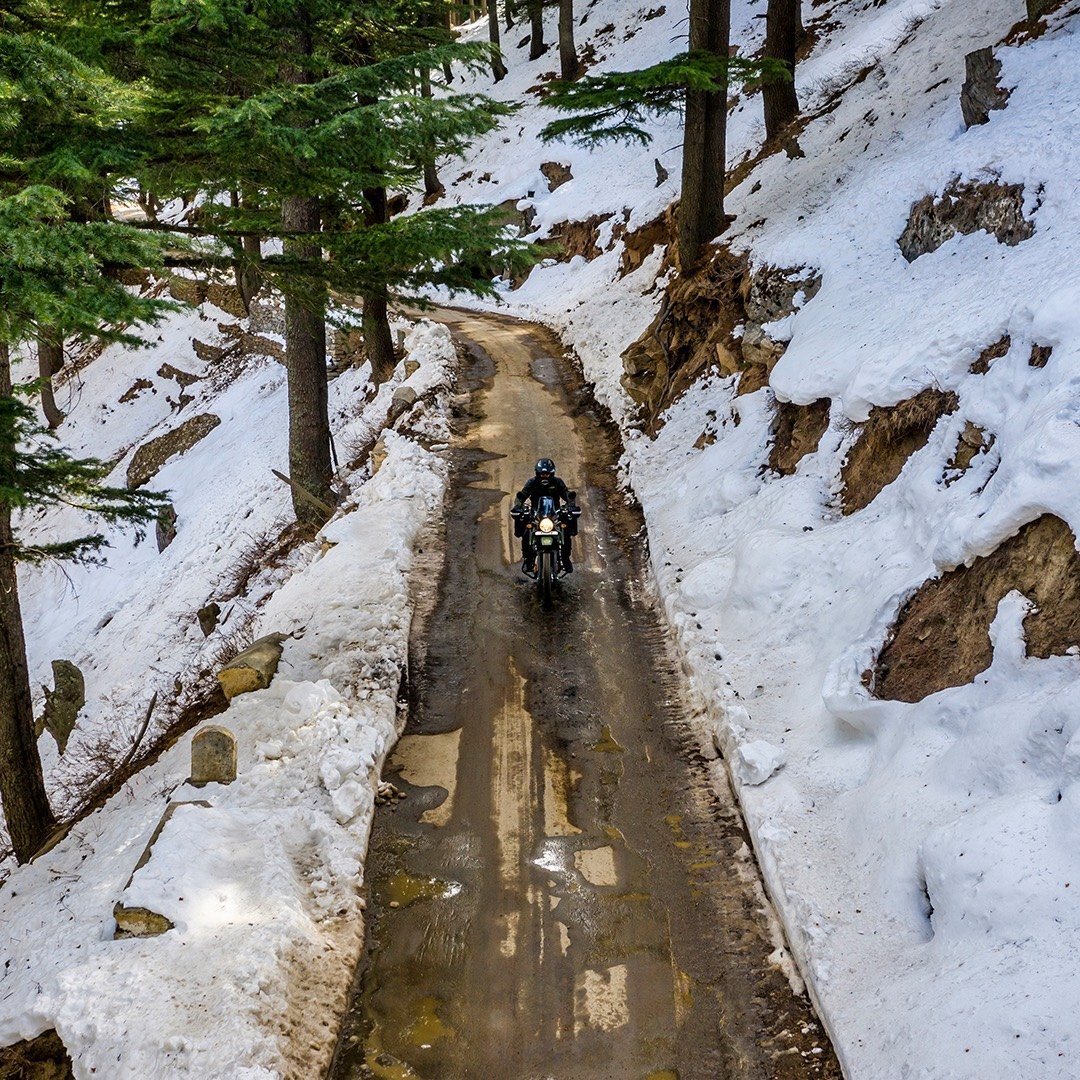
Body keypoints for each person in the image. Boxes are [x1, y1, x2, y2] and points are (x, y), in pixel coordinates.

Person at [512, 458, 578, 575]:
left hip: (554, 515)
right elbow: (522, 495)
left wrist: (571, 504)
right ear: (537, 473)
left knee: (565, 532)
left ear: (552, 473)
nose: (545, 476)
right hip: (536, 515)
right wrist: (518, 505)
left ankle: (566, 559)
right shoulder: (532, 483)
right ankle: (528, 560)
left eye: (547, 474)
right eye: (542, 474)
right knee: (527, 532)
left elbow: (566, 494)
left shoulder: (557, 482)